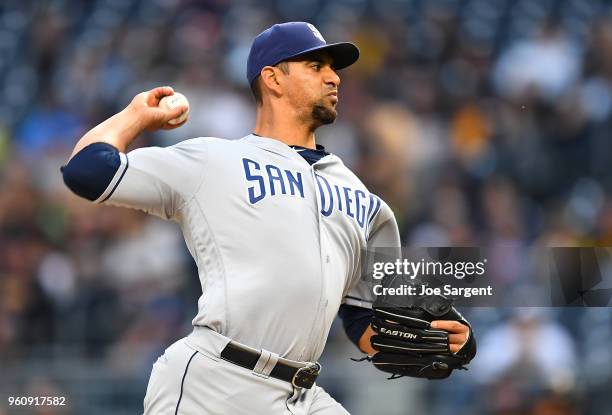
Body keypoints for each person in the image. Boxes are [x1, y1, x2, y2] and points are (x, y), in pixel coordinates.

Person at [61, 22, 472, 414]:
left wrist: (440, 341)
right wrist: (137, 115)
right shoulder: (213, 160)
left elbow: (363, 319)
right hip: (214, 382)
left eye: (333, 68)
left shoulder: (363, 199)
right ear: (273, 79)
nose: (334, 78)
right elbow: (87, 171)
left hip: (301, 393)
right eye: (316, 66)